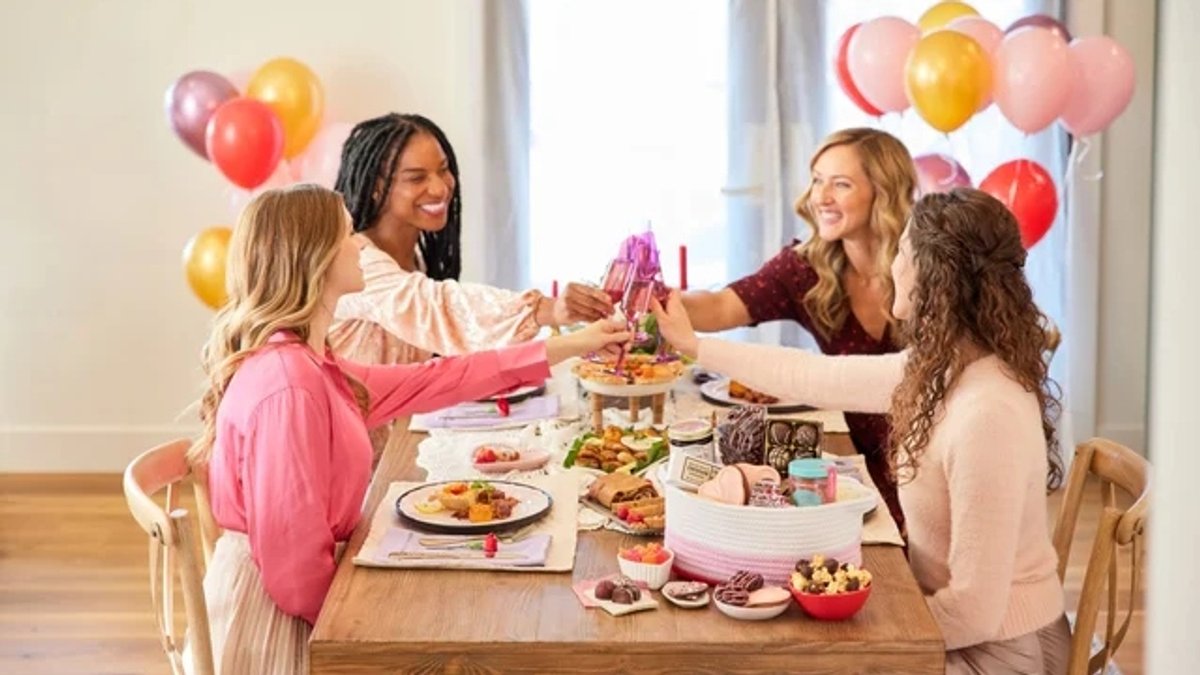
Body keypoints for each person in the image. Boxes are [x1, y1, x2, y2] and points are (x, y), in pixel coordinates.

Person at [187, 184, 629, 674]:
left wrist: (571, 345)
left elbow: (437, 378)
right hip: (280, 621)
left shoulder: (311, 364)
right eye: (348, 233)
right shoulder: (289, 386)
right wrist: (373, 638)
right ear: (314, 258)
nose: (361, 245)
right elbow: (293, 572)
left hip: (301, 594)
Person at [654, 188, 1069, 673]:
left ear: (934, 280)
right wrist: (695, 345)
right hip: (954, 625)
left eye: (904, 253)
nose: (893, 266)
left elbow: (976, 610)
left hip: (997, 650)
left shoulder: (987, 414)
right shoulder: (946, 368)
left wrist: (869, 637)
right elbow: (816, 377)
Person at [681, 127, 916, 530]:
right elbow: (720, 306)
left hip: (926, 465)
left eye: (840, 184)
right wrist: (647, 296)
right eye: (817, 181)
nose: (820, 197)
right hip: (855, 464)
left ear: (885, 192)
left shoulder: (928, 266)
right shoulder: (807, 268)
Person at [329, 112, 612, 366]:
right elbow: (437, 307)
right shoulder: (356, 262)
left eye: (443, 169)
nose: (440, 188)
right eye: (417, 178)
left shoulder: (416, 260)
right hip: (343, 426)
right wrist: (545, 309)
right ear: (376, 188)